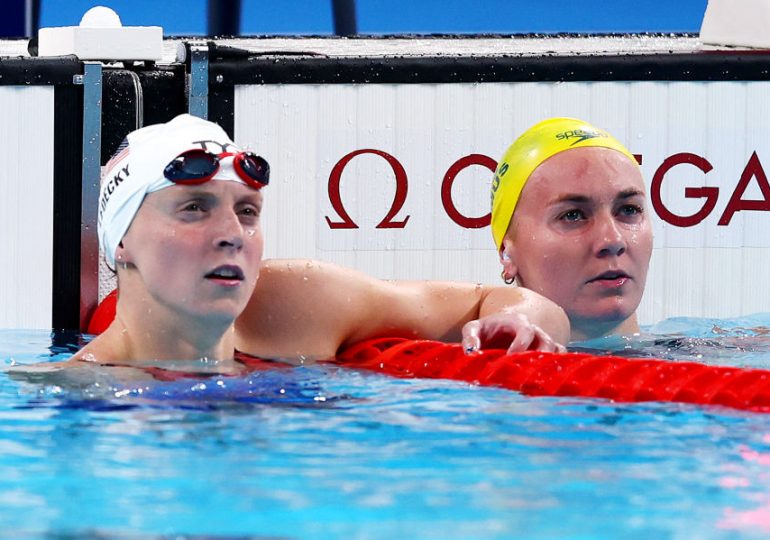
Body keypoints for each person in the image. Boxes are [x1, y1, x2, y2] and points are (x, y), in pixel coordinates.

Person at [57, 114, 568, 373]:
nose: (232, 235)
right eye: (194, 208)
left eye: (247, 212)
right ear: (121, 241)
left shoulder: (296, 306)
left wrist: (519, 321)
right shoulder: (68, 399)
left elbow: (516, 305)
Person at [491, 117, 652, 342]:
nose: (613, 240)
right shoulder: (465, 368)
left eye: (629, 209)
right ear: (506, 253)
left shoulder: (706, 350)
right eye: (572, 215)